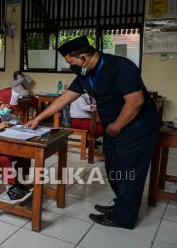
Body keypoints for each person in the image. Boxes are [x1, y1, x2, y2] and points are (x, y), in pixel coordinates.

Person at [25, 36, 163, 229]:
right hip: (113, 127)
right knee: (114, 168)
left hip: (137, 128)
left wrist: (116, 127)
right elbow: (64, 99)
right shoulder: (84, 74)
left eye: (70, 61)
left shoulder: (120, 66)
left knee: (129, 172)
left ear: (83, 57)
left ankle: (124, 218)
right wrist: (38, 118)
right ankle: (121, 205)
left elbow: (136, 101)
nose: (70, 66)